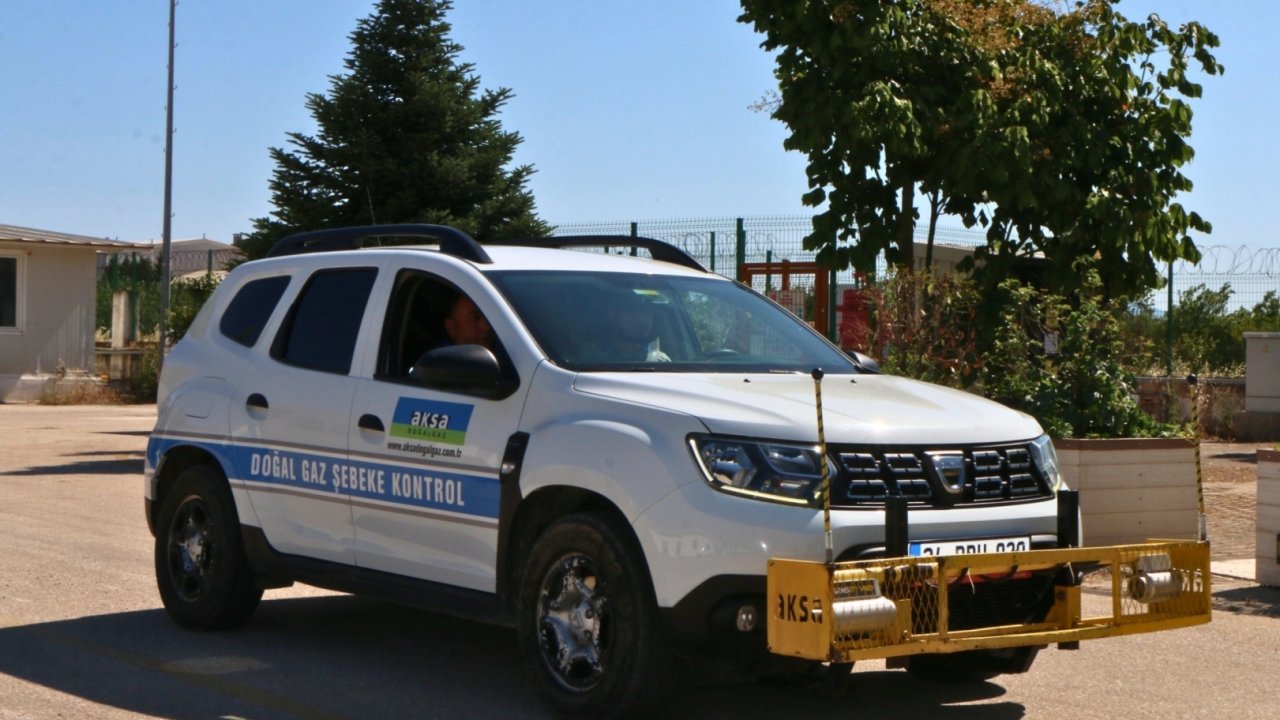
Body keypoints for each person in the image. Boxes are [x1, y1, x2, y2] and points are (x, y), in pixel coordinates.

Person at [597, 292, 671, 362]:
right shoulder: (596, 357)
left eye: (646, 312)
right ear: (612, 315)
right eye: (631, 312)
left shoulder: (660, 361)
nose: (642, 320)